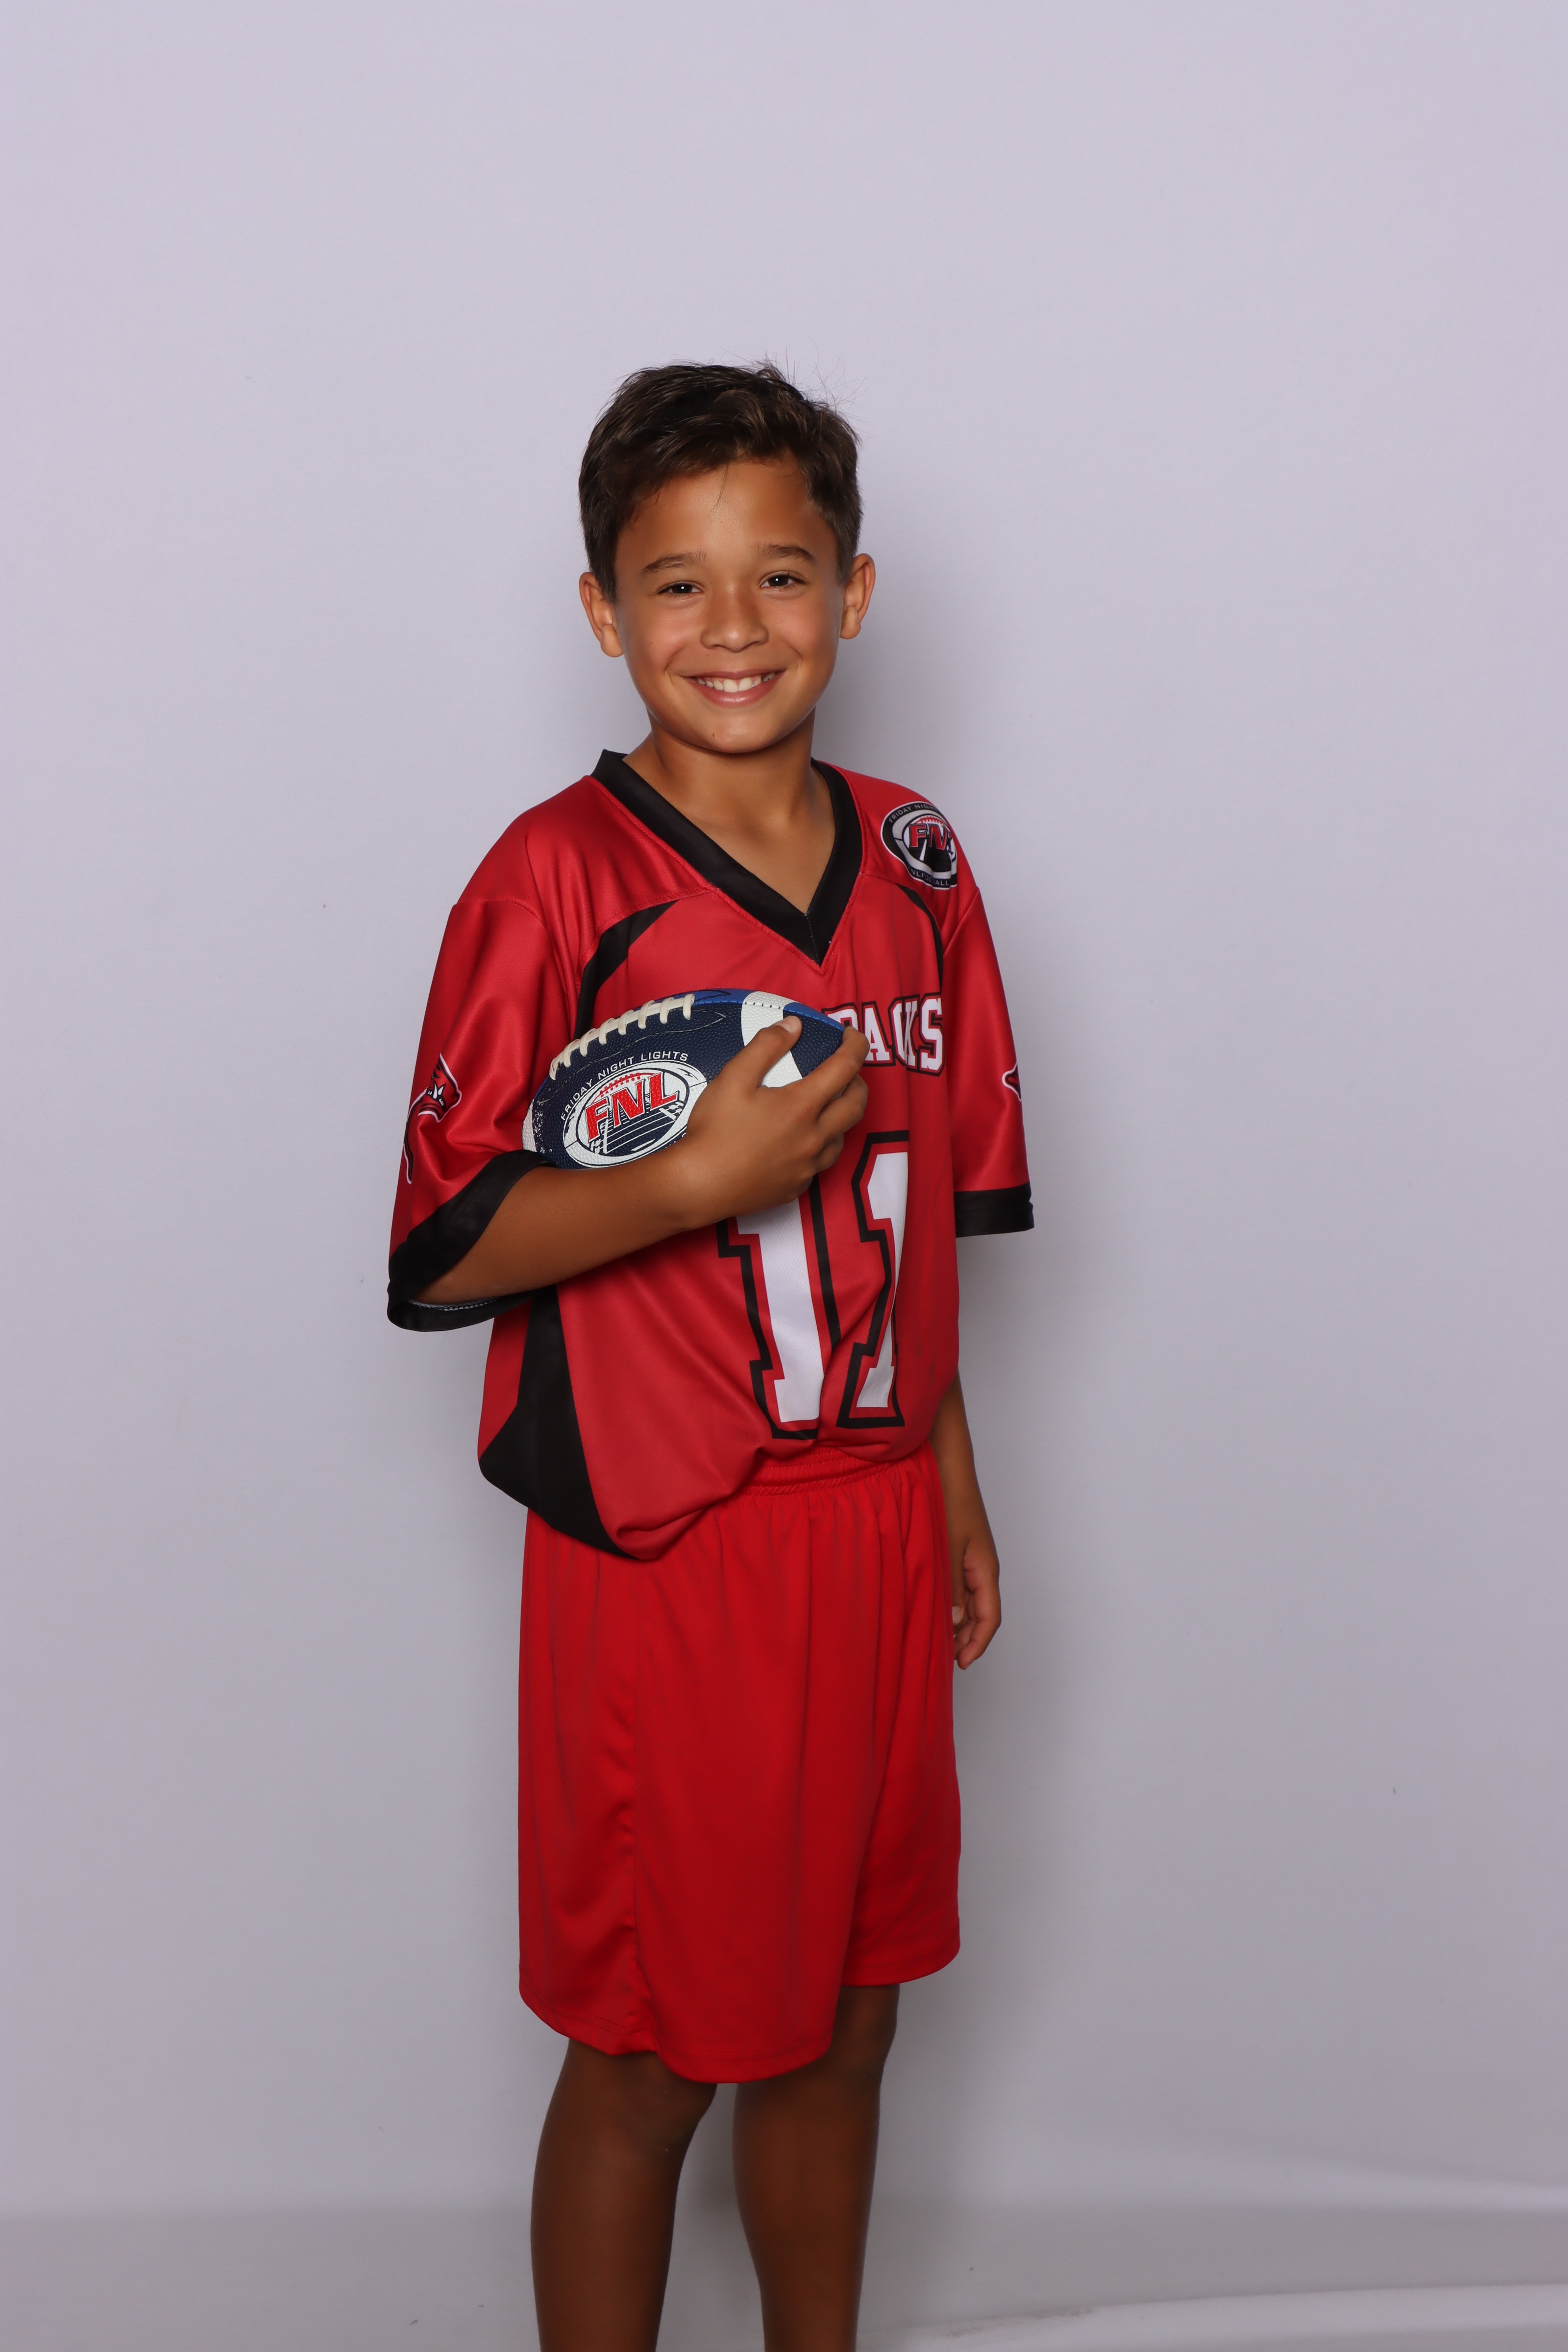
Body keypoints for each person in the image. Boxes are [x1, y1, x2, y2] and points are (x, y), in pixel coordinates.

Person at [387, 362, 1031, 2352]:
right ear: (603, 611)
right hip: (672, 1549)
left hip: (870, 1524)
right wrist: (692, 1179)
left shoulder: (917, 861)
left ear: (855, 592)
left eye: (781, 574)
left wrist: (949, 1477)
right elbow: (439, 1245)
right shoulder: (554, 880)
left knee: (847, 2020)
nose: (732, 625)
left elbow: (919, 1231)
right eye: (676, 583)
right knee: (657, 2048)